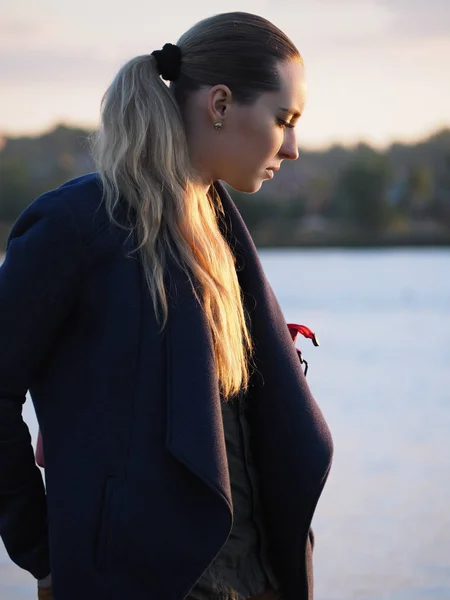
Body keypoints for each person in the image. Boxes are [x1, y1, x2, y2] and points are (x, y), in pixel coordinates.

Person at [0, 11, 333, 600]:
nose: (294, 147)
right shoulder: (76, 225)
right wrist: (42, 553)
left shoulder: (223, 234)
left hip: (259, 582)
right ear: (222, 104)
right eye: (284, 119)